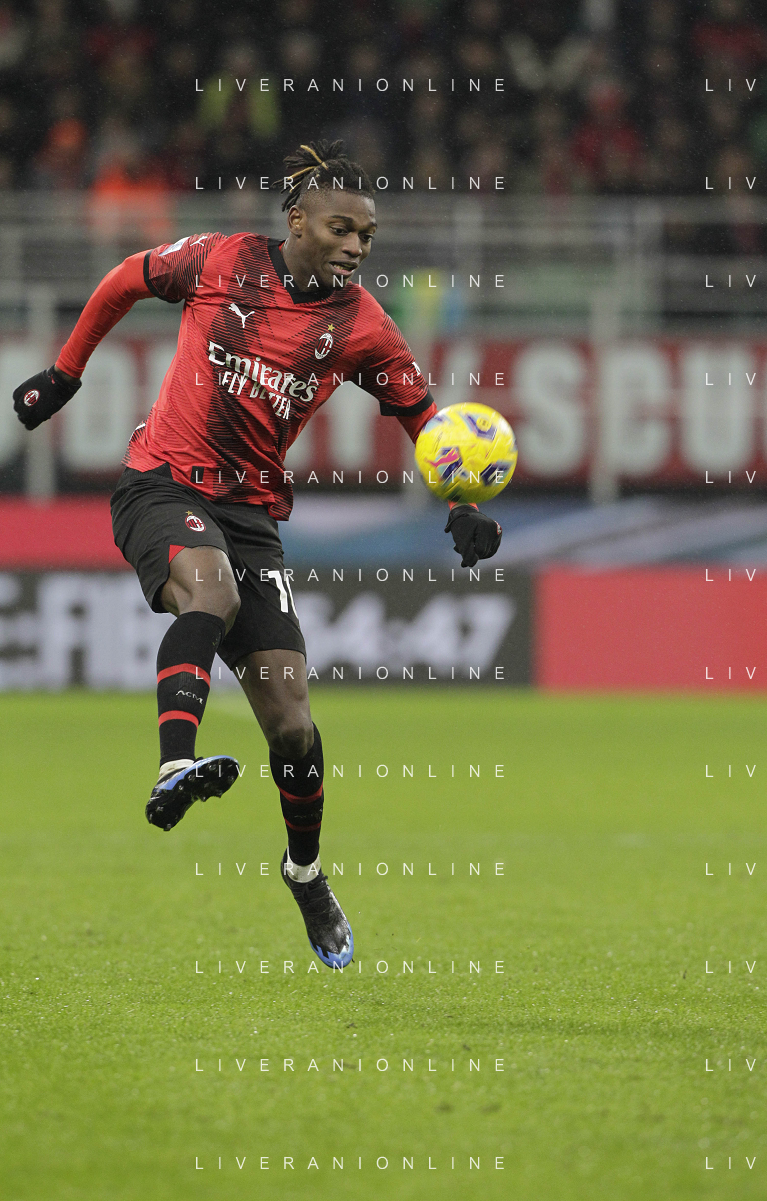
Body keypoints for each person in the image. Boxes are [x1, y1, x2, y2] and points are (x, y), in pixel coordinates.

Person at [12, 139, 502, 970]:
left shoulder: (363, 325)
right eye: (342, 228)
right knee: (211, 593)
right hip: (161, 482)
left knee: (292, 723)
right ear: (298, 220)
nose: (355, 246)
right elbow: (126, 278)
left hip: (250, 516)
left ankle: (304, 872)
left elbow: (424, 416)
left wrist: (462, 502)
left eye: (367, 235)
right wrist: (64, 375)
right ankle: (175, 764)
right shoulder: (221, 259)